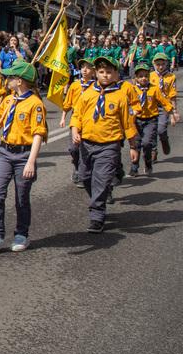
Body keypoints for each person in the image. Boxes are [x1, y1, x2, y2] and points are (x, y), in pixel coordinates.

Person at [0, 61, 47, 254]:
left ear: (20, 81)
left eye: (10, 77)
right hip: (5, 153)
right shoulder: (9, 100)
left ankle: (21, 234)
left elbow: (38, 134)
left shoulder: (35, 104)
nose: (6, 80)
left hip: (24, 154)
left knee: (21, 197)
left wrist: (31, 161)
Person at [70, 55, 139, 233]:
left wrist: (133, 146)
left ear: (116, 74)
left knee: (100, 180)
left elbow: (128, 123)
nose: (105, 75)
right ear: (96, 73)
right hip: (87, 144)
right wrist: (75, 130)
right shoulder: (87, 94)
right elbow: (77, 115)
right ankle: (100, 196)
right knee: (85, 177)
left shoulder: (120, 96)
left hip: (109, 145)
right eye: (101, 72)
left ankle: (97, 216)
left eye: (109, 72)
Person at [129, 61, 176, 177]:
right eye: (140, 76)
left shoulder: (154, 89)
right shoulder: (132, 89)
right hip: (136, 120)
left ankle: (148, 163)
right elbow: (124, 103)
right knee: (136, 144)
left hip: (150, 120)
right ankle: (134, 168)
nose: (143, 78)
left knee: (147, 143)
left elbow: (164, 102)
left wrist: (172, 113)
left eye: (146, 76)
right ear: (136, 78)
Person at [60, 57, 95, 186]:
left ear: (94, 71)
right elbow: (68, 103)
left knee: (86, 148)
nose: (84, 70)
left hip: (90, 119)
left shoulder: (96, 87)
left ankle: (83, 172)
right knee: (73, 148)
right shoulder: (75, 85)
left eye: (88, 68)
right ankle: (76, 165)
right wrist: (63, 117)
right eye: (82, 67)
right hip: (76, 118)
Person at [150, 53, 178, 160]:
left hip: (164, 106)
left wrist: (174, 112)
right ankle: (153, 150)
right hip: (151, 106)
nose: (160, 67)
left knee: (161, 129)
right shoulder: (150, 76)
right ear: (154, 64)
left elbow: (172, 95)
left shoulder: (171, 77)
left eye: (162, 64)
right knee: (152, 130)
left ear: (166, 64)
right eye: (158, 64)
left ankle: (164, 139)